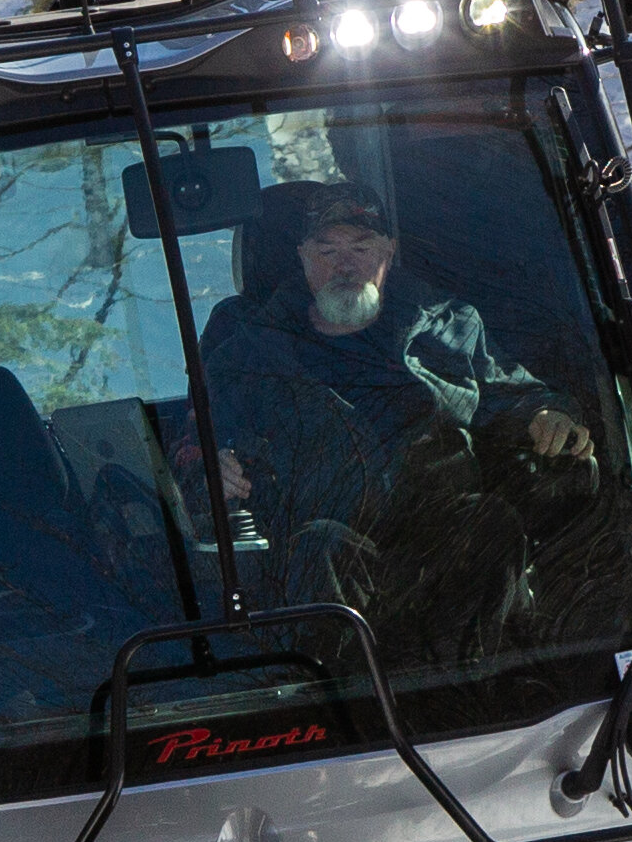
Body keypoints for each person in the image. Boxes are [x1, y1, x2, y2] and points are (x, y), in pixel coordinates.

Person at [200, 181, 597, 626]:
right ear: (302, 256)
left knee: (490, 522)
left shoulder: (449, 325)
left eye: (361, 247)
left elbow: (515, 394)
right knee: (319, 549)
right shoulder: (250, 351)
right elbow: (199, 444)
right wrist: (211, 464)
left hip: (441, 536)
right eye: (327, 251)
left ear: (389, 250)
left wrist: (548, 415)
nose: (345, 266)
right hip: (329, 545)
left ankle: (474, 684)